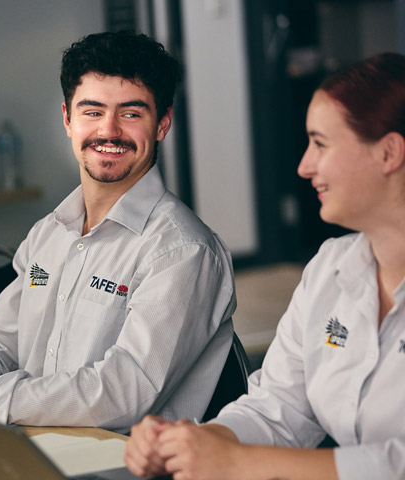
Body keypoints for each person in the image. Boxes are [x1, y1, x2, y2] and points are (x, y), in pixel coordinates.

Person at [0, 31, 236, 432]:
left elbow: (122, 395)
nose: (108, 131)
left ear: (162, 124)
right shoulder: (50, 233)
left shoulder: (183, 250)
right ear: (67, 119)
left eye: (131, 114)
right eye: (92, 112)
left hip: (119, 469)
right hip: (33, 446)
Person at [125, 52, 405, 480]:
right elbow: (281, 406)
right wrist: (197, 442)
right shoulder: (331, 267)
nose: (304, 166)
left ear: (389, 153)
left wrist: (241, 463)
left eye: (321, 144)